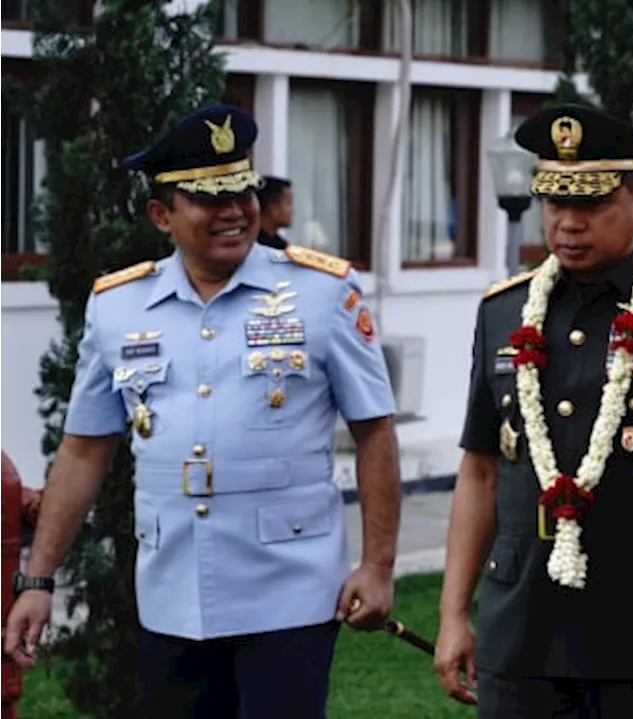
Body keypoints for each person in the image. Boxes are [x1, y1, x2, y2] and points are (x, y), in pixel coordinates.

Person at [0, 104, 403, 718]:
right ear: (162, 215)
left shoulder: (323, 293)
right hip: (173, 590)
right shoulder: (119, 307)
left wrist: (376, 567)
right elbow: (84, 448)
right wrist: (39, 579)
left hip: (290, 585)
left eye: (242, 192)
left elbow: (374, 434)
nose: (235, 211)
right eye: (209, 199)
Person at [433, 102, 633, 719]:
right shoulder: (503, 311)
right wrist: (453, 613)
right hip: (519, 623)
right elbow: (478, 469)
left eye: (590, 205)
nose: (569, 225)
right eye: (556, 204)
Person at [257, 175, 293, 249]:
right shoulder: (252, 246)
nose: (292, 210)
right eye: (288, 203)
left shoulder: (281, 246)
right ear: (272, 207)